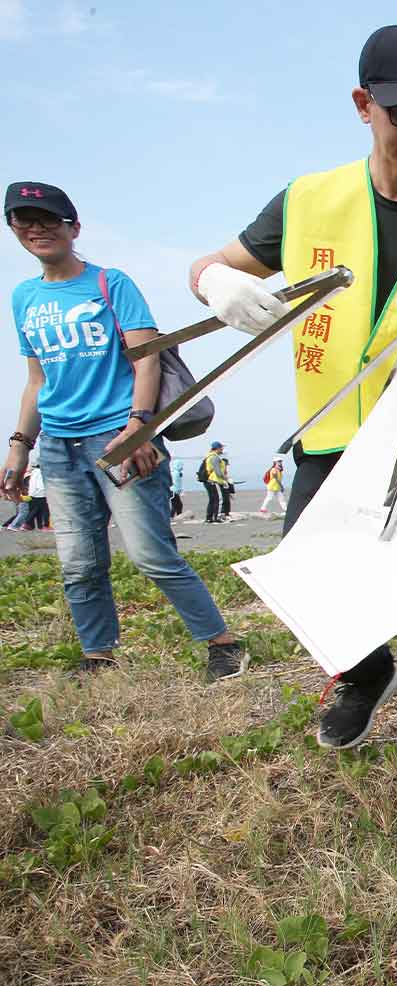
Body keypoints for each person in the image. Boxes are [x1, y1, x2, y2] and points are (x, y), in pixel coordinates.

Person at [186, 24, 397, 811]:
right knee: (307, 579)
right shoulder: (307, 202)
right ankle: (367, 672)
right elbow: (210, 263)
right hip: (332, 432)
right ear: (363, 106)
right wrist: (215, 286)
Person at [2, 180, 247, 680]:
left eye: (49, 219)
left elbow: (147, 359)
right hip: (58, 447)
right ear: (12, 229)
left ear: (73, 227)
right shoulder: (25, 297)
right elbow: (36, 380)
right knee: (78, 563)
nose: (36, 229)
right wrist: (19, 447)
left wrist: (137, 430)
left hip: (117, 438)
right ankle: (98, 656)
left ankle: (224, 644)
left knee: (151, 554)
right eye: (23, 220)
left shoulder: (110, 283)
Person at [201, 441, 228, 523]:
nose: (222, 449)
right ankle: (215, 517)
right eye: (221, 448)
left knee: (212, 499)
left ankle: (209, 518)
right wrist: (225, 478)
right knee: (217, 499)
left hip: (208, 480)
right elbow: (218, 472)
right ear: (217, 448)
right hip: (213, 480)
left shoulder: (209, 456)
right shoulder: (214, 457)